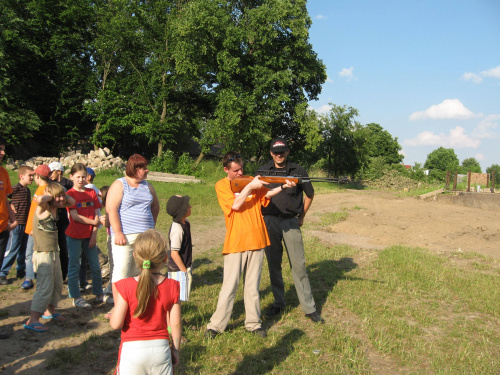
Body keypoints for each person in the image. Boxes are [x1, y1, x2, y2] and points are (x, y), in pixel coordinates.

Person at [205, 151, 295, 338]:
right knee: (230, 286)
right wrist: (250, 186)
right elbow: (235, 206)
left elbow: (266, 194)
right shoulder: (222, 185)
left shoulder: (249, 181)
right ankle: (216, 325)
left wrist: (284, 187)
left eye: (242, 169)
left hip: (257, 239)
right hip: (236, 241)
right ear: (226, 170)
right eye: (236, 170)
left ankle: (254, 323)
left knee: (252, 286)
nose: (240, 173)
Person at [256, 138, 324, 323]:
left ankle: (309, 308)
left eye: (282, 151)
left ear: (287, 152)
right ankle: (279, 302)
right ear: (271, 152)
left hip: (290, 222)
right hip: (269, 221)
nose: (279, 155)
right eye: (276, 151)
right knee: (274, 263)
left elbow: (310, 194)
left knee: (299, 265)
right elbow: (254, 195)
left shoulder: (298, 171)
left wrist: (301, 216)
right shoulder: (262, 171)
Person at [110, 229, 181, 374]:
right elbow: (176, 324)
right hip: (161, 349)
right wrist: (175, 350)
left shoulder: (125, 286)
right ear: (165, 259)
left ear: (135, 256)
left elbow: (116, 324)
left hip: (132, 351)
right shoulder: (173, 286)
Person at [23, 183, 75, 332]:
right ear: (51, 196)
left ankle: (50, 311)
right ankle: (32, 319)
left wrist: (61, 195)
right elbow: (39, 200)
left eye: (61, 196)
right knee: (44, 287)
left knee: (57, 284)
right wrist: (52, 195)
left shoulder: (55, 208)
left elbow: (72, 202)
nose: (61, 199)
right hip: (42, 253)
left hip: (53, 252)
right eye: (57, 196)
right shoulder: (43, 208)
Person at [106, 154, 160, 286]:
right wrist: (118, 232)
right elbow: (111, 209)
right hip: (124, 236)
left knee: (139, 271)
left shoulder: (148, 186)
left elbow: (155, 206)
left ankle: (136, 300)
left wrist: (151, 226)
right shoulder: (120, 184)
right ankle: (119, 303)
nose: (147, 170)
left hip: (144, 237)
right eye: (144, 168)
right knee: (122, 271)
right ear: (135, 169)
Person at [65, 163, 103, 309]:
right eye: (78, 177)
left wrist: (94, 234)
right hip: (74, 235)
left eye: (83, 177)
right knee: (74, 265)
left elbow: (96, 213)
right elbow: (75, 216)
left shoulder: (91, 193)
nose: (81, 180)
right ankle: (75, 296)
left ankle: (99, 293)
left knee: (95, 266)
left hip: (89, 236)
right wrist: (93, 222)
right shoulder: (70, 195)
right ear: (71, 177)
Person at [0, 166, 34, 284]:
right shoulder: (15, 189)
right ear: (21, 176)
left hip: (26, 223)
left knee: (23, 249)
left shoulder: (27, 190)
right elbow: (4, 197)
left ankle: (20, 269)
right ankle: (3, 273)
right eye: (30, 175)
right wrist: (10, 205)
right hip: (17, 223)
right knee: (13, 248)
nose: (32, 178)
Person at [22, 164, 52, 290]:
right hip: (32, 228)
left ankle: (30, 278)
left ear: (37, 176)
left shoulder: (45, 190)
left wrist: (36, 228)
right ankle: (32, 277)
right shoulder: (42, 188)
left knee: (31, 254)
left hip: (36, 229)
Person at [0, 138, 18, 339]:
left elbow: (5, 198)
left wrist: (13, 220)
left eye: (3, 149)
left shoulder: (4, 173)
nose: (3, 153)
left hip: (2, 230)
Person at [49, 161, 72, 282]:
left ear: (58, 171)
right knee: (51, 247)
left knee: (64, 246)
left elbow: (72, 199)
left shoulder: (68, 183)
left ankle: (64, 273)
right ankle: (53, 273)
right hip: (52, 219)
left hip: (64, 219)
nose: (49, 174)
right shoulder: (49, 184)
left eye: (51, 172)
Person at [166, 195, 193, 302]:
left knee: (181, 297)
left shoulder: (186, 223)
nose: (190, 207)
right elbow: (174, 253)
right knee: (176, 299)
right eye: (187, 206)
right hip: (178, 270)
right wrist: (184, 271)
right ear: (181, 211)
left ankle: (177, 318)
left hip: (184, 267)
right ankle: (174, 318)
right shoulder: (177, 230)